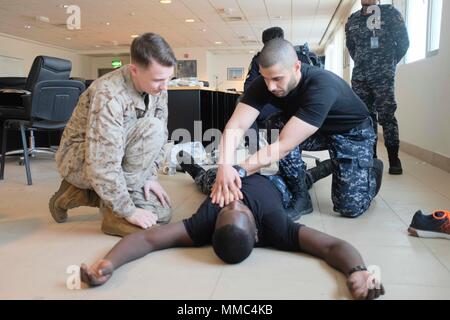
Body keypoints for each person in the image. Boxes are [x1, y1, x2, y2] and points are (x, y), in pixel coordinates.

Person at [80, 171, 385, 300]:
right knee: (299, 183)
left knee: (208, 178)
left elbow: (147, 239)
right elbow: (332, 246)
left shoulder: (204, 222)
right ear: (257, 233)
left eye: (230, 207)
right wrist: (358, 271)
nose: (235, 200)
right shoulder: (277, 228)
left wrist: (107, 263)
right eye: (235, 208)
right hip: (270, 182)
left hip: (225, 175)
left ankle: (196, 168)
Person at [210, 38, 384, 219]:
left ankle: (372, 170)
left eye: (277, 79)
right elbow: (236, 125)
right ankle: (301, 194)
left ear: (296, 67)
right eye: (266, 78)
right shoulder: (264, 84)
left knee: (349, 208)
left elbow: (284, 145)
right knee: (276, 124)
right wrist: (223, 165)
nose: (270, 86)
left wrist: (239, 170)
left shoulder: (321, 86)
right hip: (315, 130)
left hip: (351, 133)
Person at [49, 33, 177, 237]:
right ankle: (112, 215)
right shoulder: (108, 94)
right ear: (134, 70)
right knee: (152, 127)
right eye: (159, 80)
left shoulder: (158, 88)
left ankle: (81, 194)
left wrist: (149, 176)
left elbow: (161, 135)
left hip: (118, 158)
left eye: (169, 78)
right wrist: (128, 211)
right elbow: (102, 164)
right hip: (82, 160)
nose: (165, 86)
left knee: (161, 213)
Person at [346, 0, 409, 174]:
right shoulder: (353, 20)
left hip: (383, 77)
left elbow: (403, 42)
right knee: (365, 119)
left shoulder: (390, 14)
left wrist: (387, 63)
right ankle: (371, 158)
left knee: (387, 117)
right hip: (360, 78)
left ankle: (393, 159)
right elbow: (351, 48)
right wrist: (364, 64)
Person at [176, 151, 334, 221]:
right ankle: (333, 164)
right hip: (273, 186)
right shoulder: (272, 218)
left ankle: (189, 163)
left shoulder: (208, 216)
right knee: (301, 181)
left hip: (231, 182)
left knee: (206, 179)